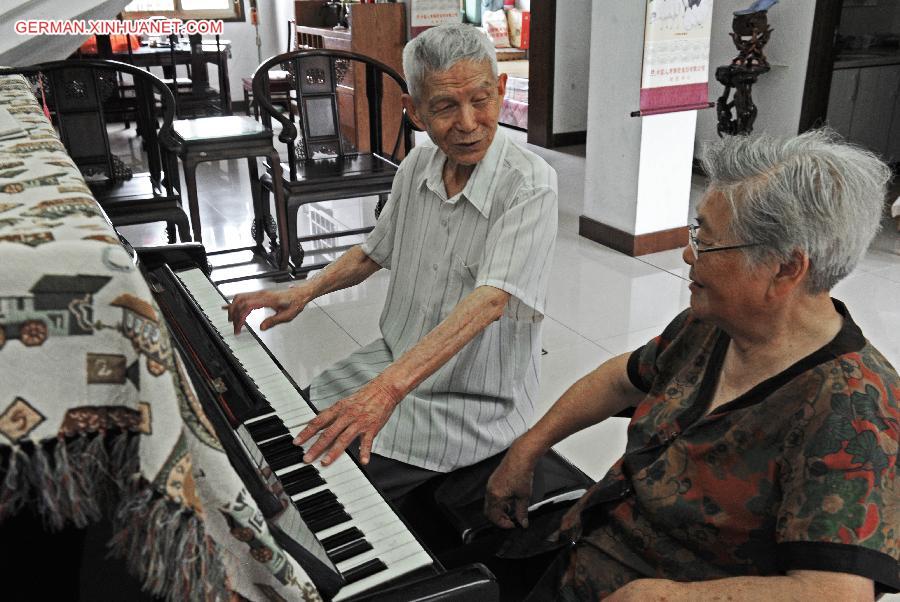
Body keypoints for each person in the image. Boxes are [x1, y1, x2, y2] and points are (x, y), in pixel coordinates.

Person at [484, 130, 899, 600]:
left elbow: (836, 593)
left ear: (785, 268)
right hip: (583, 548)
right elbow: (622, 380)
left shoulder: (855, 413)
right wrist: (528, 447)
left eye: (706, 242)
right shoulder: (713, 323)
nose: (687, 253)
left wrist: (664, 597)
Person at [226, 23, 558, 500]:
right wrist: (304, 290)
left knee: (320, 484)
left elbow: (490, 302)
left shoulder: (529, 185)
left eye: (481, 100)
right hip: (394, 360)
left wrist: (384, 393)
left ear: (501, 91)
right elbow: (372, 252)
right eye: (445, 106)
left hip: (470, 403)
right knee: (286, 428)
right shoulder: (419, 166)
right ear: (416, 112)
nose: (467, 123)